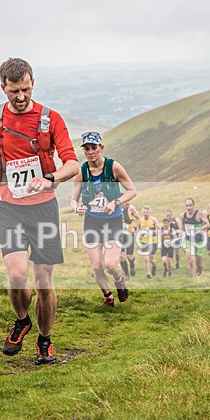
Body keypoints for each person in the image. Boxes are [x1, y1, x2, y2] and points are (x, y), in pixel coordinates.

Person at [0, 58, 79, 364]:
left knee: (43, 281)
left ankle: (44, 339)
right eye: (13, 91)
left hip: (43, 209)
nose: (20, 97)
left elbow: (73, 163)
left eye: (25, 89)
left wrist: (50, 178)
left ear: (32, 84)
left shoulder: (51, 119)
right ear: (3, 88)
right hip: (10, 206)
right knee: (15, 273)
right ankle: (22, 320)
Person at [71, 131, 136, 306]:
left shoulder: (114, 167)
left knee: (110, 264)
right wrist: (77, 208)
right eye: (87, 148)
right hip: (92, 222)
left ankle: (119, 279)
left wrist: (116, 202)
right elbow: (73, 199)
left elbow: (132, 190)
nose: (90, 152)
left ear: (101, 148)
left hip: (113, 221)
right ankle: (108, 297)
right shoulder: (81, 171)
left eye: (94, 147)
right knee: (97, 267)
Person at [181, 198, 210, 278]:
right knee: (191, 260)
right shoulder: (183, 215)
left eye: (190, 205)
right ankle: (193, 278)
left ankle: (200, 271)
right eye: (187, 206)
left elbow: (208, 224)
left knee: (199, 263)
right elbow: (182, 227)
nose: (189, 208)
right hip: (188, 240)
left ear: (193, 205)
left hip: (199, 241)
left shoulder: (199, 214)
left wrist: (199, 229)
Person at [135, 205, 160, 279]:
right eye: (144, 212)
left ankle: (154, 265)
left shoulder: (153, 219)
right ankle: (148, 274)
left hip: (152, 242)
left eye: (147, 212)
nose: (145, 213)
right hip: (144, 242)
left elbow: (159, 227)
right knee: (146, 259)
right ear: (142, 212)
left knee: (152, 259)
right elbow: (138, 229)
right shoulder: (141, 220)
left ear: (149, 212)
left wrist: (155, 232)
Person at [119, 201, 139, 277]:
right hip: (119, 235)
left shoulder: (130, 208)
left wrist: (134, 228)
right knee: (121, 256)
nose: (122, 204)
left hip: (129, 234)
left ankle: (132, 264)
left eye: (123, 202)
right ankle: (127, 274)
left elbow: (138, 218)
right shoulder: (115, 208)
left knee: (129, 256)